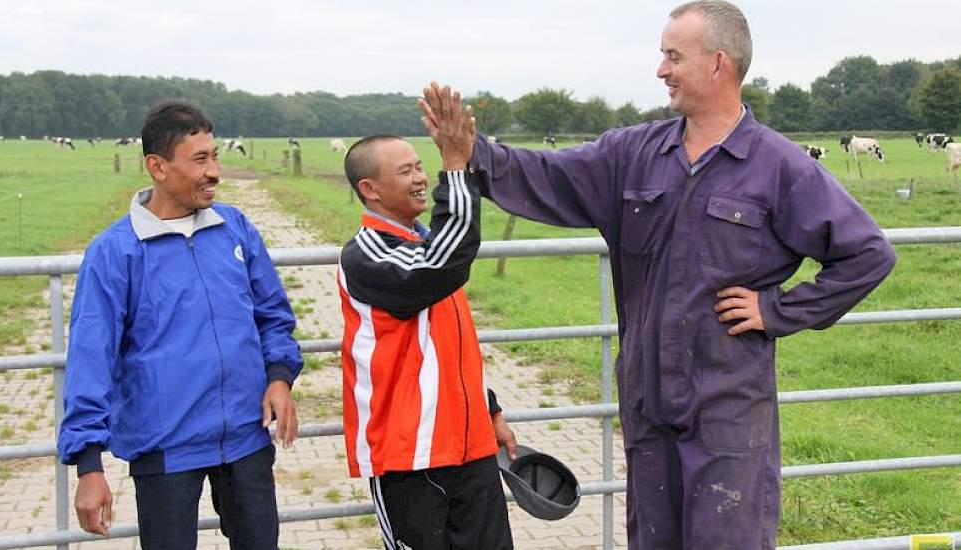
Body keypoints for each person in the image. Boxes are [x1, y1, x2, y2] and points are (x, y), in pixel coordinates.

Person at [420, 2, 897, 547]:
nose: (661, 69)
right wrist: (472, 153)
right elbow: (548, 174)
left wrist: (776, 310)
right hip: (647, 401)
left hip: (728, 407)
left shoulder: (780, 166)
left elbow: (867, 254)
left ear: (718, 64)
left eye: (674, 56)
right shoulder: (633, 154)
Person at [57, 100, 303, 550]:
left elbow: (273, 314)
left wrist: (279, 378)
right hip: (165, 450)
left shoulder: (236, 229)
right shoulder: (115, 252)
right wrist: (89, 465)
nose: (215, 171)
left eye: (215, 156)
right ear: (157, 166)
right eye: (200, 159)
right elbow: (90, 358)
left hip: (246, 439)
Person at [337, 91, 517, 550]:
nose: (420, 177)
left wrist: (489, 409)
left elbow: (450, 347)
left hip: (471, 444)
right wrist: (454, 166)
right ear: (370, 190)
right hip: (410, 454)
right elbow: (442, 265)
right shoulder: (367, 253)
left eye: (421, 166)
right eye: (407, 171)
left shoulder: (428, 243)